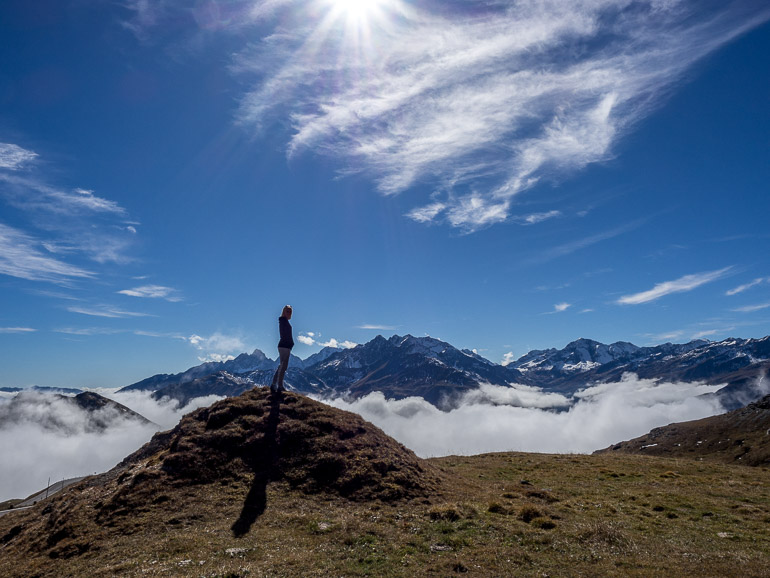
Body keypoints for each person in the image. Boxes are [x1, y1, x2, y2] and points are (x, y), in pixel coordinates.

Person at [270, 305, 294, 393]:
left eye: (290, 311)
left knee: (281, 366)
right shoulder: (283, 321)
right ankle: (280, 386)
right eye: (287, 311)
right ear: (284, 311)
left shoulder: (284, 321)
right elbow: (284, 335)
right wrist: (289, 343)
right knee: (283, 367)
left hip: (284, 346)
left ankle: (274, 385)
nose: (289, 313)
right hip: (285, 346)